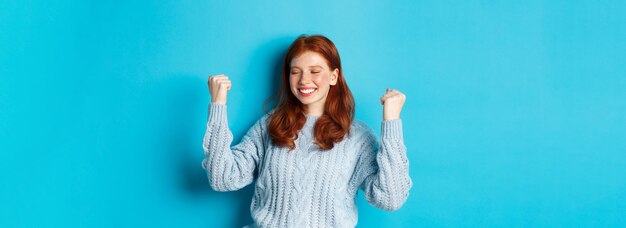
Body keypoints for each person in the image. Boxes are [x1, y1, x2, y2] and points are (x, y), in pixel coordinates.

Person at [202, 34, 412, 227]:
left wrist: (392, 122)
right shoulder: (270, 126)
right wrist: (218, 106)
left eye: (314, 71)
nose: (304, 80)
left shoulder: (357, 137)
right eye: (296, 72)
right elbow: (222, 178)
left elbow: (391, 198)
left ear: (333, 76)